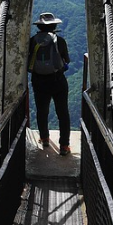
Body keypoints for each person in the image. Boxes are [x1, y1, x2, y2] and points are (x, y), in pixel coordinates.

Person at [28, 12, 71, 155]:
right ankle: (64, 146)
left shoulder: (33, 41)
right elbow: (67, 60)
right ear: (54, 26)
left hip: (39, 81)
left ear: (39, 26)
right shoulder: (60, 41)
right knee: (63, 113)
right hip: (58, 80)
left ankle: (44, 138)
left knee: (42, 111)